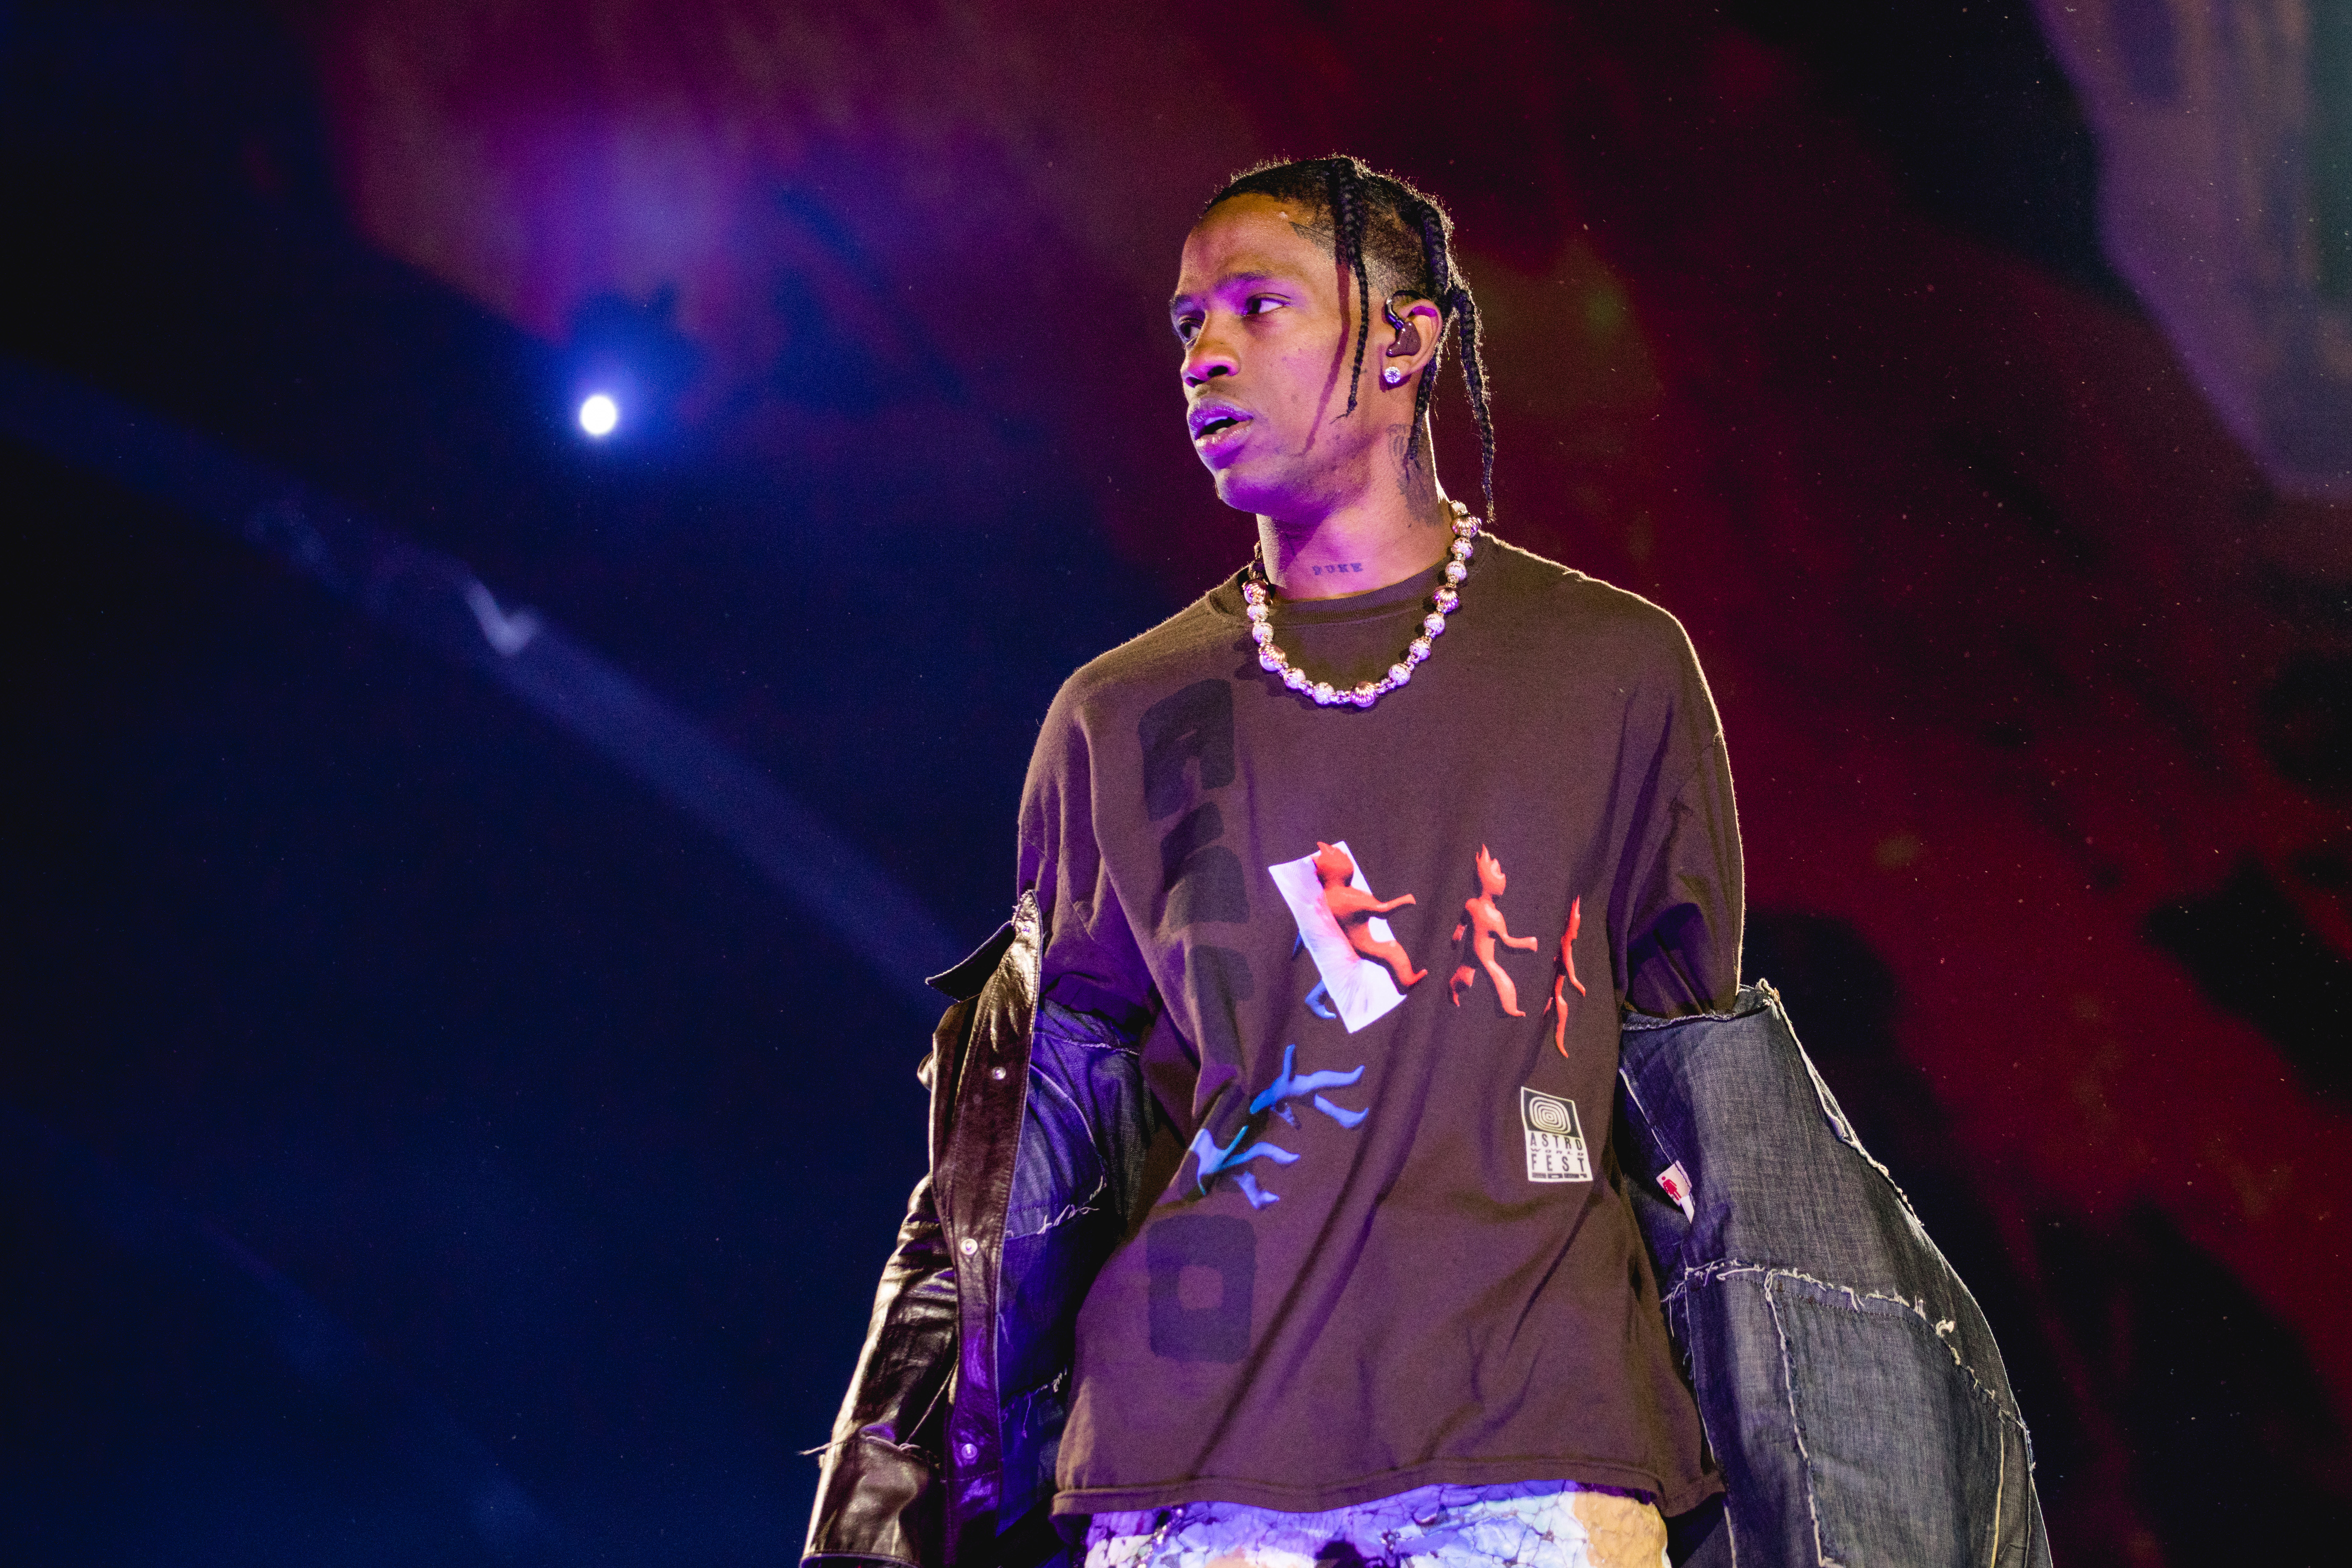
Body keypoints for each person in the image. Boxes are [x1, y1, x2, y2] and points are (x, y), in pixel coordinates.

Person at [807, 154, 1742, 1568]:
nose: (1207, 355)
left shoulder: (1613, 671)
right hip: (1191, 1480)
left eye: (1260, 307)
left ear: (1406, 339)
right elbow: (1023, 1150)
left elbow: (1693, 1100)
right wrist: (882, 1503)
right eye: (1189, 324)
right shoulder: (1118, 714)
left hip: (1537, 1459)